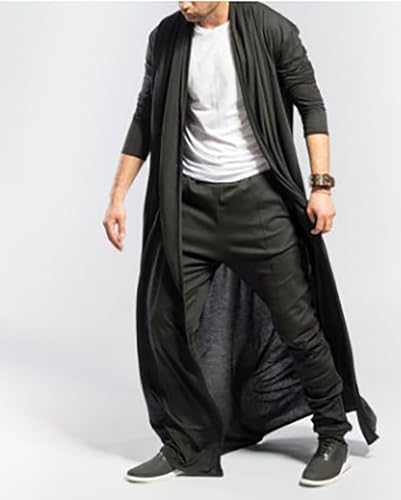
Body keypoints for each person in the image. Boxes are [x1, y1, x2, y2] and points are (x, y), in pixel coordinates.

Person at [103, 0, 378, 488]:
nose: (182, 3)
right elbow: (145, 116)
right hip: (189, 205)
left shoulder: (272, 29)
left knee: (298, 326)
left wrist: (322, 186)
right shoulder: (166, 38)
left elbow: (311, 105)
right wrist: (118, 195)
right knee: (166, 322)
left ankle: (333, 435)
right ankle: (184, 443)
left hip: (258, 204)